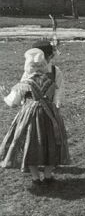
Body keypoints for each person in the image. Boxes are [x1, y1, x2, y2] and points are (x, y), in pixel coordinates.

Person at [0, 49, 69, 186]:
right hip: (50, 114)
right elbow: (56, 99)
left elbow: (12, 102)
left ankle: (36, 177)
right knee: (51, 142)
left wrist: (4, 96)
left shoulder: (24, 84)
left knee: (30, 143)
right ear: (43, 66)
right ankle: (48, 175)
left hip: (30, 115)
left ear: (28, 67)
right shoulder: (51, 81)